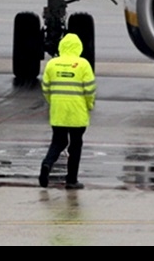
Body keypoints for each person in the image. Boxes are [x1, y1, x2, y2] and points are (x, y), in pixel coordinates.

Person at [39, 33, 96, 190]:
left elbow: (45, 88)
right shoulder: (83, 64)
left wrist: (54, 102)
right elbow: (90, 89)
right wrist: (89, 105)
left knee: (58, 141)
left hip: (58, 111)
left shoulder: (52, 64)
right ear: (79, 47)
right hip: (77, 113)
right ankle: (71, 180)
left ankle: (47, 164)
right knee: (75, 145)